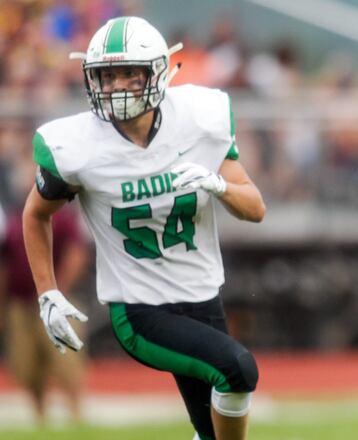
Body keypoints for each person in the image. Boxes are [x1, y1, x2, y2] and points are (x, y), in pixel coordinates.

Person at [23, 16, 265, 440]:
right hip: (139, 310)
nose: (116, 86)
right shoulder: (78, 147)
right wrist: (48, 292)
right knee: (237, 368)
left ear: (157, 71)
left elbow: (255, 208)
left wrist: (219, 185)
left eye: (128, 73)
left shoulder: (199, 119)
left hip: (203, 297)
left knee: (210, 429)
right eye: (106, 75)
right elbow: (36, 213)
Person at [2, 155, 89, 424]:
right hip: (20, 303)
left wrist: (55, 291)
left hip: (53, 299)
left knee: (65, 361)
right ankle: (40, 418)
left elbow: (77, 254)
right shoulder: (15, 217)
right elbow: (5, 263)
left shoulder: (60, 215)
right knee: (27, 364)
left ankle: (76, 416)